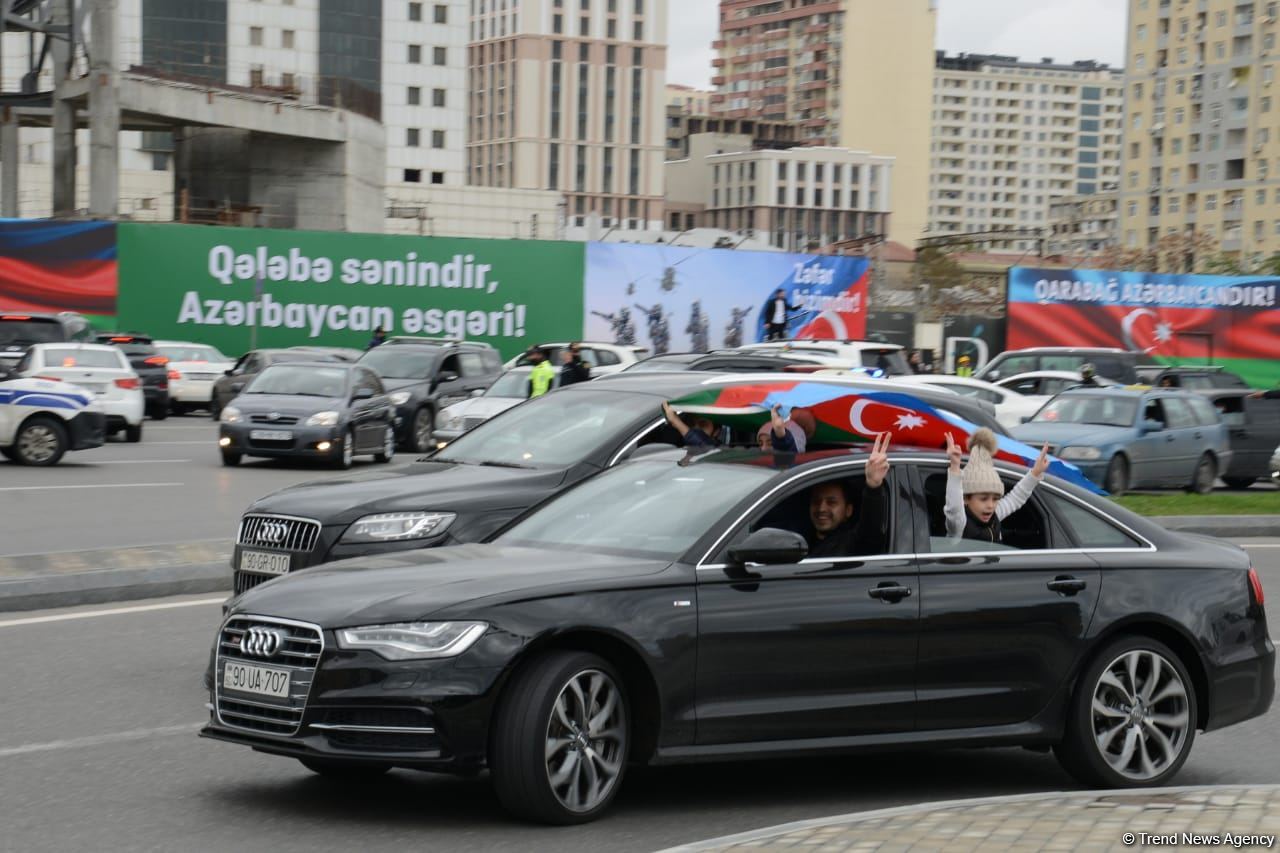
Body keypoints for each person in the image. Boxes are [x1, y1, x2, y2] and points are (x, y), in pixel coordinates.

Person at [944, 428, 1050, 544]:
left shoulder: (995, 516)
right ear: (965, 498)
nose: (990, 505)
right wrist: (955, 467)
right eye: (983, 499)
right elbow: (954, 509)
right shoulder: (959, 525)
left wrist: (1035, 473)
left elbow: (1016, 498)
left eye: (995, 499)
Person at [806, 431, 892, 558]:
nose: (822, 508)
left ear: (848, 510)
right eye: (816, 501)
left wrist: (873, 486)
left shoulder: (851, 543)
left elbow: (870, 532)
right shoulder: (801, 538)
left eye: (831, 502)